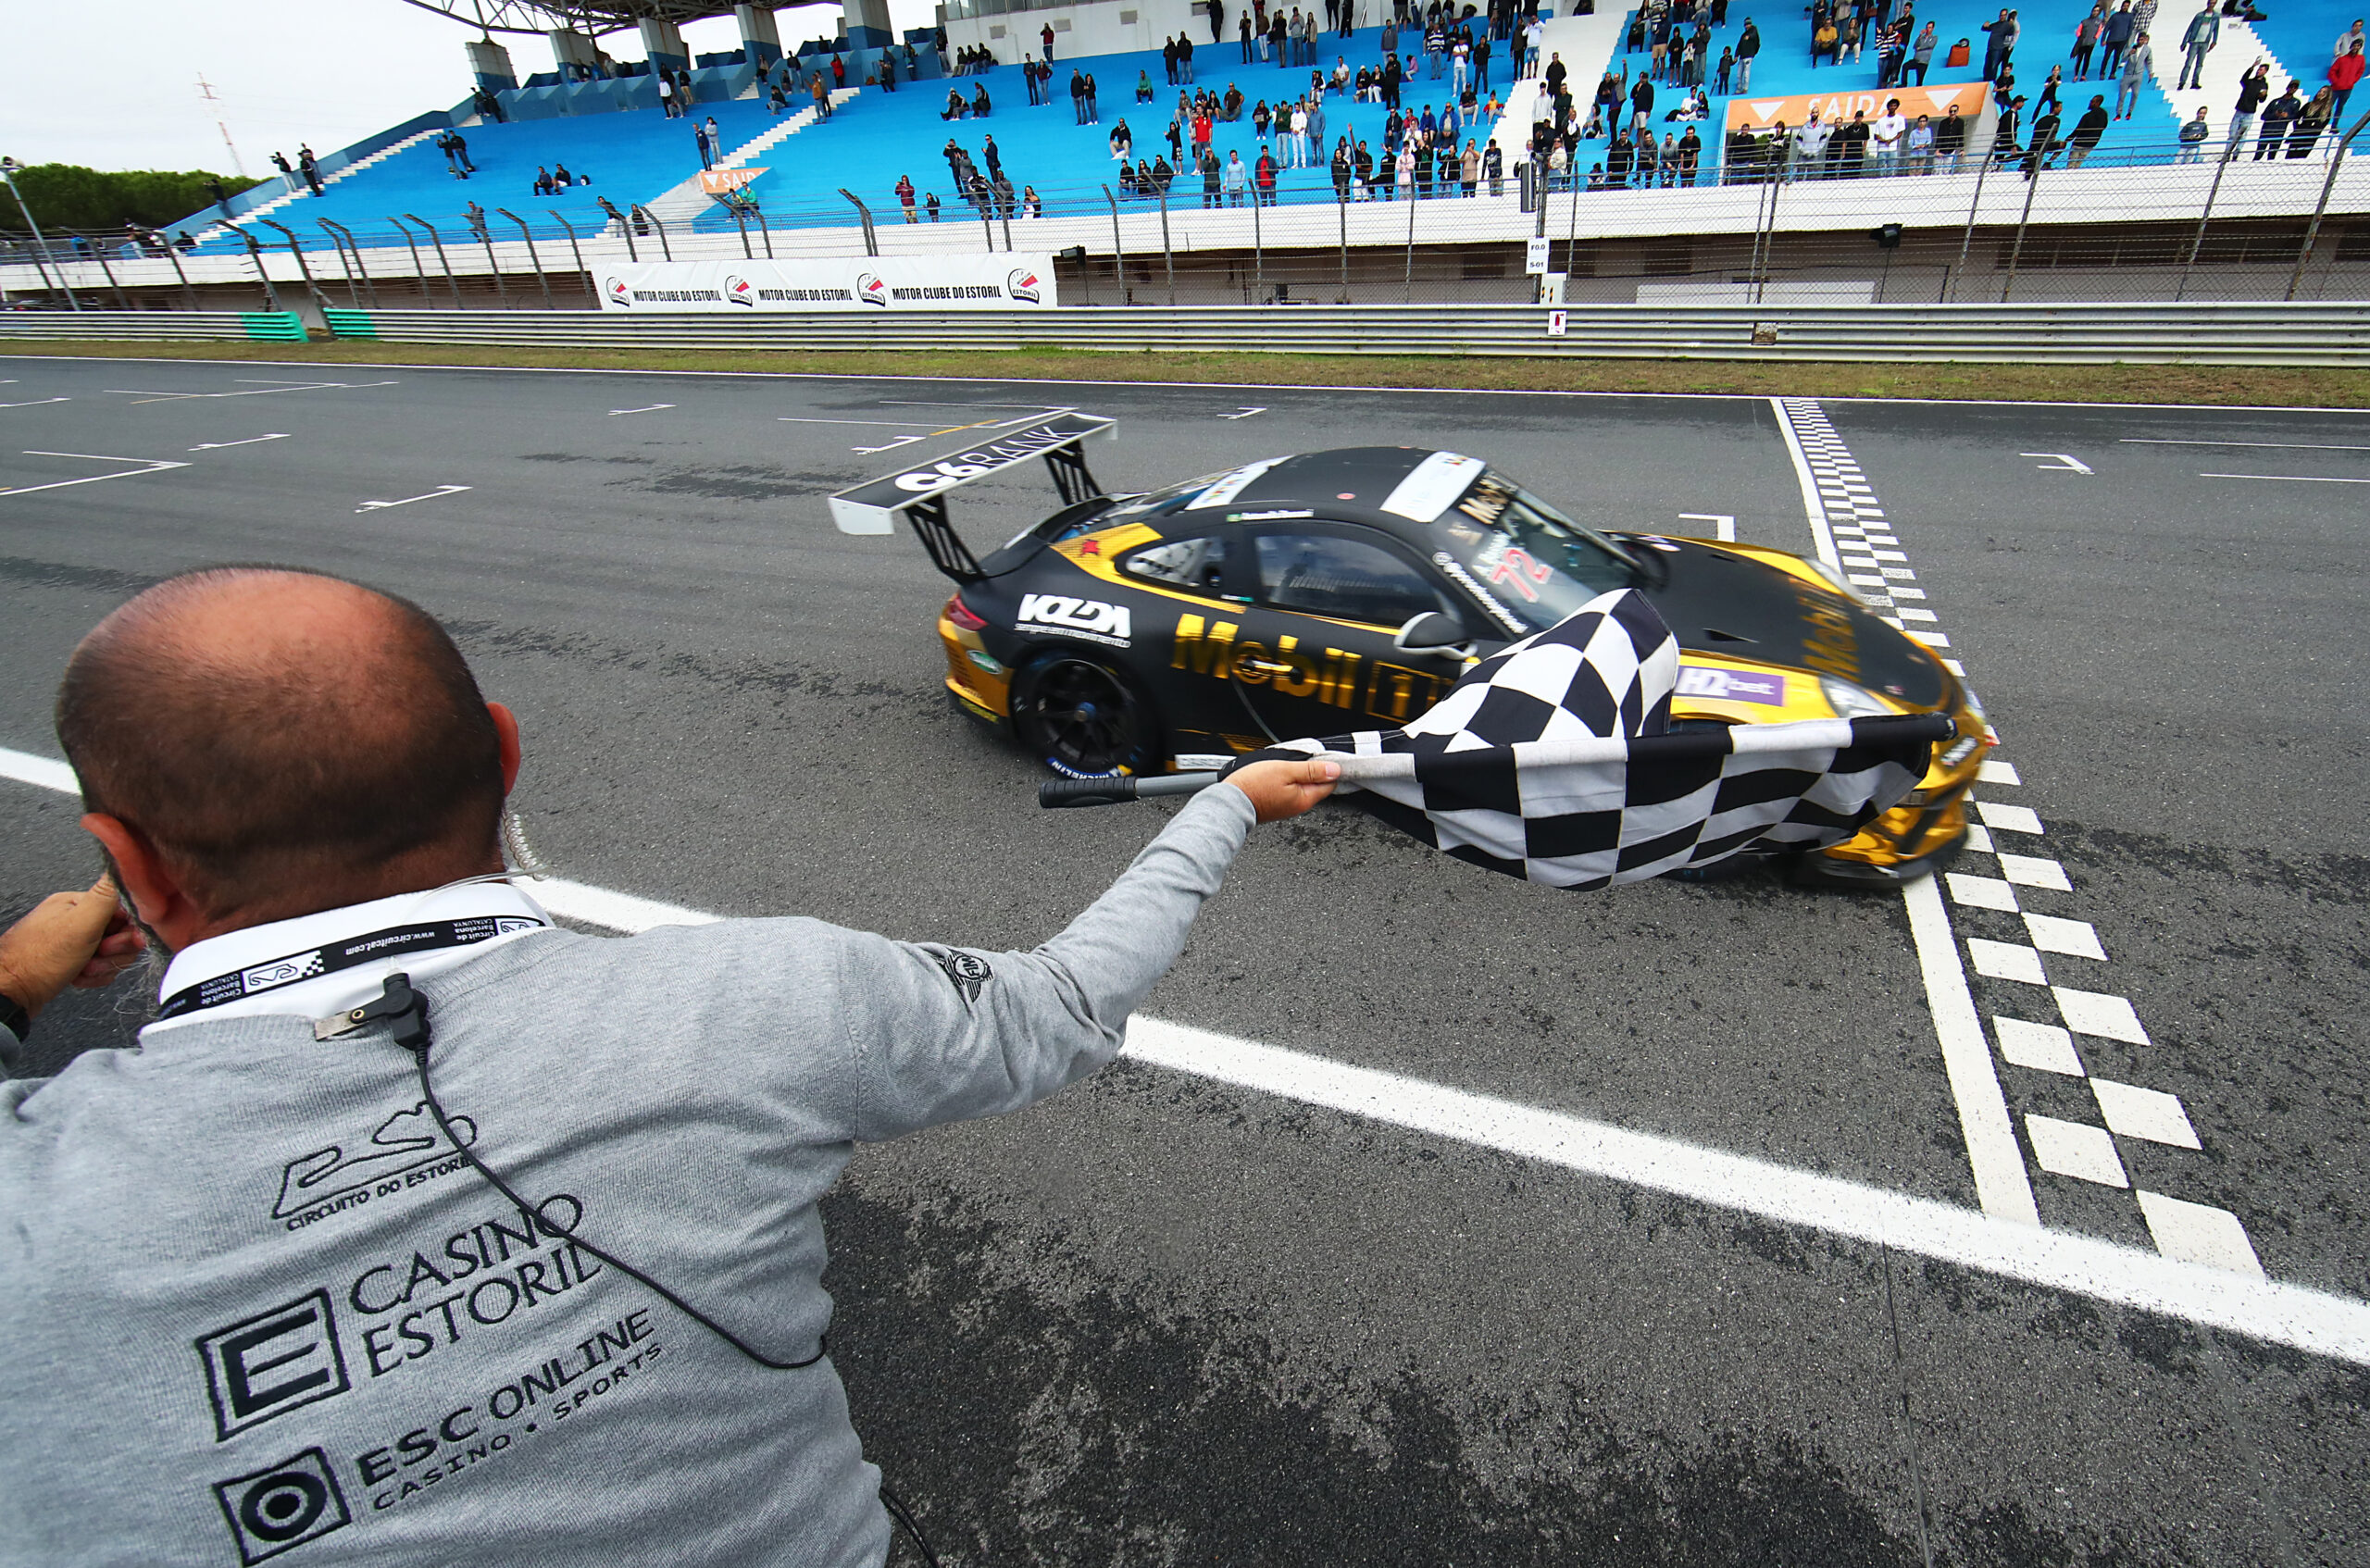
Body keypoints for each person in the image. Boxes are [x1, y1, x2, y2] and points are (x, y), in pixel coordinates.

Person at [2227, 62, 2268, 155]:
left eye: (2261, 70)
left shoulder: (2264, 85)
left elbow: (2262, 100)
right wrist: (2252, 67)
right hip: (2240, 109)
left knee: (2243, 134)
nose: (2258, 71)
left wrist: (2262, 95)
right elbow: (2243, 80)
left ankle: (2237, 152)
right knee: (2232, 133)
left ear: (2265, 72)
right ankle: (2227, 152)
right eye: (2258, 69)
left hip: (2249, 112)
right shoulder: (2250, 81)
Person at [2255, 77, 2301, 156]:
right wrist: (2275, 114)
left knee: (2272, 154)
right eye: (2291, 86)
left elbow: (2295, 116)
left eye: (2295, 87)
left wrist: (2287, 116)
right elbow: (2263, 116)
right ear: (2287, 87)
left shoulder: (2296, 102)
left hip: (2279, 131)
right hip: (2267, 130)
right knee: (2259, 153)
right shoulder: (2275, 101)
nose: (2292, 89)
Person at [2178, 0, 2218, 89]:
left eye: (2213, 3)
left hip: (2205, 42)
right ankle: (2182, 82)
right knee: (2189, 62)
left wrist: (2214, 41)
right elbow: (2190, 28)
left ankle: (2195, 82)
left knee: (2200, 63)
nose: (2211, 5)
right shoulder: (2199, 15)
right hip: (2195, 41)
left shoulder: (2216, 16)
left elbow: (2216, 29)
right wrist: (2184, 42)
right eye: (2210, 3)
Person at [2064, 93, 2111, 163]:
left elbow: (2079, 129)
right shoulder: (2104, 114)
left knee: (2071, 163)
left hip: (2079, 143)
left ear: (2098, 103)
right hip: (2091, 143)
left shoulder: (2087, 116)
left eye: (2092, 102)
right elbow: (2104, 126)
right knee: (2079, 163)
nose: (2090, 103)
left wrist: (2069, 138)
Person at [2116, 31, 2153, 117]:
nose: (2139, 41)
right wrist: (2130, 54)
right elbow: (2123, 59)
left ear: (2145, 40)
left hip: (2138, 75)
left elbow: (2149, 61)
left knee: (2135, 94)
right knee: (2122, 95)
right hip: (2128, 74)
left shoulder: (2147, 49)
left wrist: (2150, 72)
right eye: (2138, 40)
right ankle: (2119, 113)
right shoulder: (2130, 48)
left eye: (2141, 40)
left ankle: (2130, 112)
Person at [2334, 40, 2365, 124]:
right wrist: (2336, 82)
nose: (2356, 47)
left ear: (2360, 47)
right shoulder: (2342, 59)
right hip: (2336, 88)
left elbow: (2360, 71)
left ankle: (2334, 125)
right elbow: (2332, 71)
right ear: (2351, 46)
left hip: (2348, 88)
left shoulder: (2361, 59)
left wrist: (2353, 81)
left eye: (2358, 46)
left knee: (2340, 107)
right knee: (2328, 106)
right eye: (2354, 45)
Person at [1872, 97, 1907, 171]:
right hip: (1882, 149)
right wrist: (1885, 141)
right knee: (1880, 170)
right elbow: (1876, 136)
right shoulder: (1881, 121)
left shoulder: (1900, 119)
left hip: (1893, 149)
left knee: (1891, 169)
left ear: (1897, 107)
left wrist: (1891, 140)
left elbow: (1900, 133)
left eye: (1894, 106)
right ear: (1888, 107)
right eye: (1891, 106)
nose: (1892, 107)